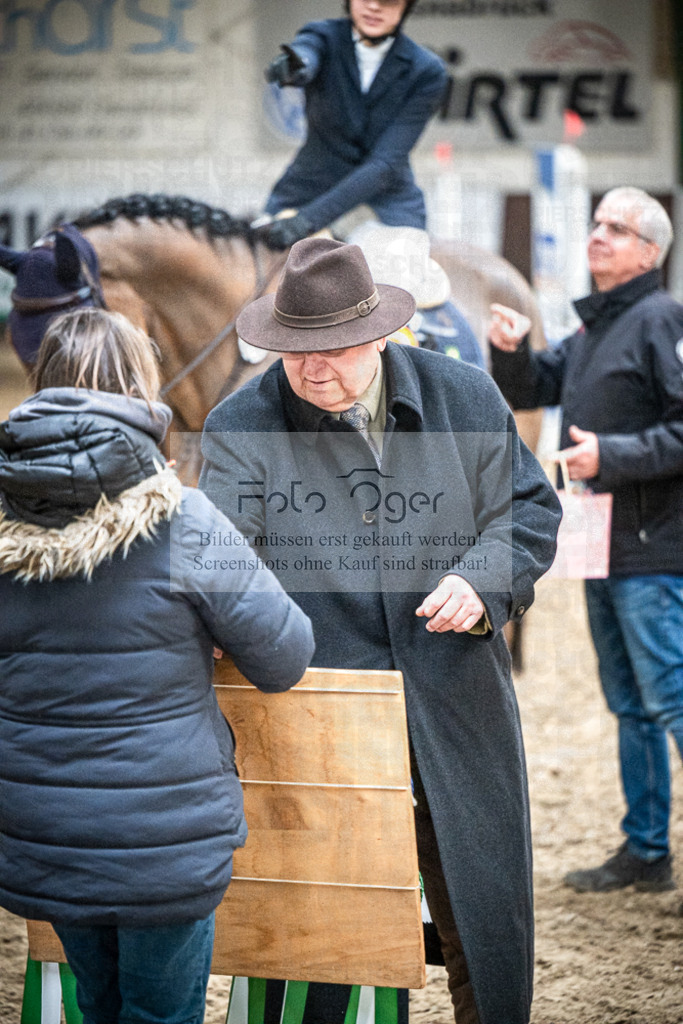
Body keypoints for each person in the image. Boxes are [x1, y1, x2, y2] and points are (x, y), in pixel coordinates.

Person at [199, 237, 561, 1024]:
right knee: (319, 913)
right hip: (315, 702)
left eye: (327, 349)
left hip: (453, 686)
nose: (308, 367)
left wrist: (481, 578)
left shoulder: (464, 396)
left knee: (482, 892)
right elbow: (221, 550)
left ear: (377, 335)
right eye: (292, 350)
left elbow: (527, 511)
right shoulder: (241, 423)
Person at [0, 308, 315, 1024]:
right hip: (164, 843)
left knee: (98, 1002)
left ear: (40, 384)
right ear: (140, 390)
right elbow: (285, 656)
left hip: (43, 830)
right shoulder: (185, 518)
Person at [488, 187, 683, 894]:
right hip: (607, 547)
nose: (597, 235)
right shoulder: (597, 327)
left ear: (648, 252)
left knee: (671, 700)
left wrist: (614, 456)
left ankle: (646, 846)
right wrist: (507, 350)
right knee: (630, 703)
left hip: (656, 550)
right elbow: (536, 383)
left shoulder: (663, 320)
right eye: (595, 224)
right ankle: (645, 850)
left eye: (615, 228)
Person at [260, 0, 448, 251]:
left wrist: (307, 220)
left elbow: (385, 164)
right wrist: (295, 68)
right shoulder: (322, 35)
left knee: (406, 276)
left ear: (406, 7)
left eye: (387, 1)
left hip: (385, 197)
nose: (373, 7)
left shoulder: (427, 70)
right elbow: (307, 55)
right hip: (307, 189)